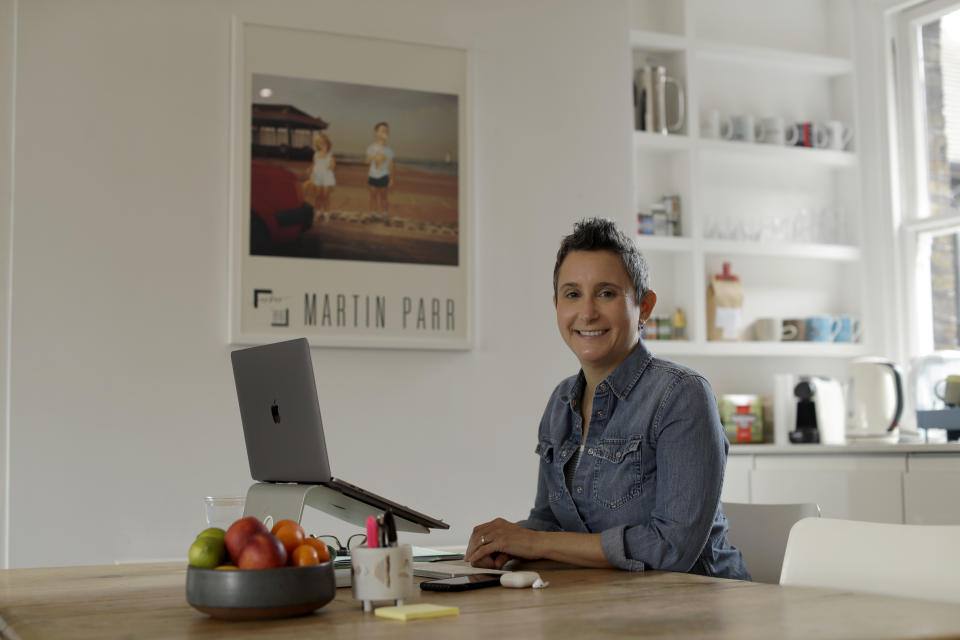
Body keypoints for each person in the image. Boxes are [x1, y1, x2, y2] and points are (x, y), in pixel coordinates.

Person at [466, 218, 749, 580]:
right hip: (606, 602)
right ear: (556, 305)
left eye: (606, 293)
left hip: (701, 608)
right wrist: (503, 546)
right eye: (572, 294)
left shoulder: (682, 394)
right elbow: (548, 523)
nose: (587, 313)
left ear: (644, 307)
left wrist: (533, 545)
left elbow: (672, 547)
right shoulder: (560, 402)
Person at [365, 122, 394, 221]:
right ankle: (373, 213)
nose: (384, 133)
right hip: (373, 175)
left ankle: (384, 213)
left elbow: (391, 165)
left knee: (384, 196)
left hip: (384, 175)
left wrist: (392, 179)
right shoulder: (371, 147)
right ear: (376, 133)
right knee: (373, 195)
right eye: (382, 131)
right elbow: (367, 161)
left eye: (386, 131)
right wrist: (374, 155)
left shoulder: (389, 150)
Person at [305, 132, 336, 223]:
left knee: (326, 196)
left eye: (324, 143)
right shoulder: (316, 155)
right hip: (317, 177)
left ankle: (326, 213)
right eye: (320, 143)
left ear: (328, 145)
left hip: (327, 178)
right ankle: (317, 212)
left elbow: (333, 167)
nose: (323, 146)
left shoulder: (330, 156)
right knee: (318, 196)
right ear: (318, 145)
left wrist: (332, 165)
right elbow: (313, 164)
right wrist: (309, 170)